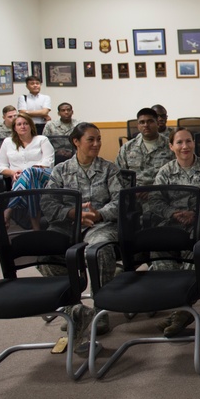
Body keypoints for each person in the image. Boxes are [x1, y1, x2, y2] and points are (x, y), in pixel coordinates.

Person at [41, 123, 123, 349]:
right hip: (68, 225)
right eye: (91, 139)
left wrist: (98, 214)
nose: (96, 144)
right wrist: (71, 213)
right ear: (76, 142)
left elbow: (120, 202)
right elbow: (48, 202)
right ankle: (73, 309)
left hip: (100, 225)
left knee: (99, 250)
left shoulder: (109, 169)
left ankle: (101, 309)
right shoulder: (61, 171)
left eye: (99, 139)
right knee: (46, 250)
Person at [153, 127, 200, 337]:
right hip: (175, 220)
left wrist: (196, 212)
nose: (185, 146)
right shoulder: (165, 172)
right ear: (171, 146)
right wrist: (173, 213)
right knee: (158, 247)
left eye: (188, 141)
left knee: (197, 245)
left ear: (194, 143)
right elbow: (155, 200)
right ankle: (180, 305)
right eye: (179, 142)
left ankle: (183, 308)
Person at [0, 113, 55, 195]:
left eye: (26, 124)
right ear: (15, 128)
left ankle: (13, 206)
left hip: (41, 178)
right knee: (26, 180)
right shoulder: (7, 142)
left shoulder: (42, 140)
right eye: (19, 124)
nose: (23, 126)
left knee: (28, 172)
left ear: (31, 126)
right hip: (18, 180)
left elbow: (48, 162)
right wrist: (13, 173)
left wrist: (28, 172)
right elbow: (1, 167)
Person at [116, 107, 174, 186]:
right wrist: (132, 190)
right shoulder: (127, 148)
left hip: (162, 193)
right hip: (134, 194)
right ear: (138, 126)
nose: (146, 125)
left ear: (157, 123)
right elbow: (119, 175)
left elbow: (176, 174)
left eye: (150, 121)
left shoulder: (171, 146)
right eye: (142, 122)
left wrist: (153, 191)